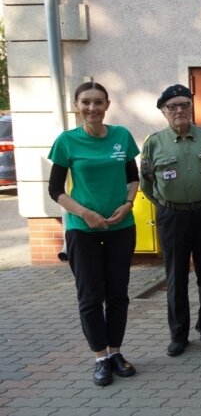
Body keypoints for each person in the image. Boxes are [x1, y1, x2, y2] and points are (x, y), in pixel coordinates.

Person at [47, 82, 140, 386]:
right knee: (90, 296)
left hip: (120, 228)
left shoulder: (121, 137)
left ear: (107, 105)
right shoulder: (66, 141)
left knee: (117, 295)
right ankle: (100, 358)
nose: (92, 108)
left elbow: (132, 178)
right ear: (76, 105)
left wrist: (128, 205)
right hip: (82, 230)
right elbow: (56, 190)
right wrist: (84, 213)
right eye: (85, 102)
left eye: (98, 102)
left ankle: (115, 352)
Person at [140, 84, 201, 357]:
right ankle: (179, 334)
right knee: (175, 276)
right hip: (172, 215)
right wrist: (168, 204)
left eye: (184, 105)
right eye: (172, 107)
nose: (179, 110)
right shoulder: (154, 143)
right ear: (164, 112)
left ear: (191, 108)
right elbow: (147, 184)